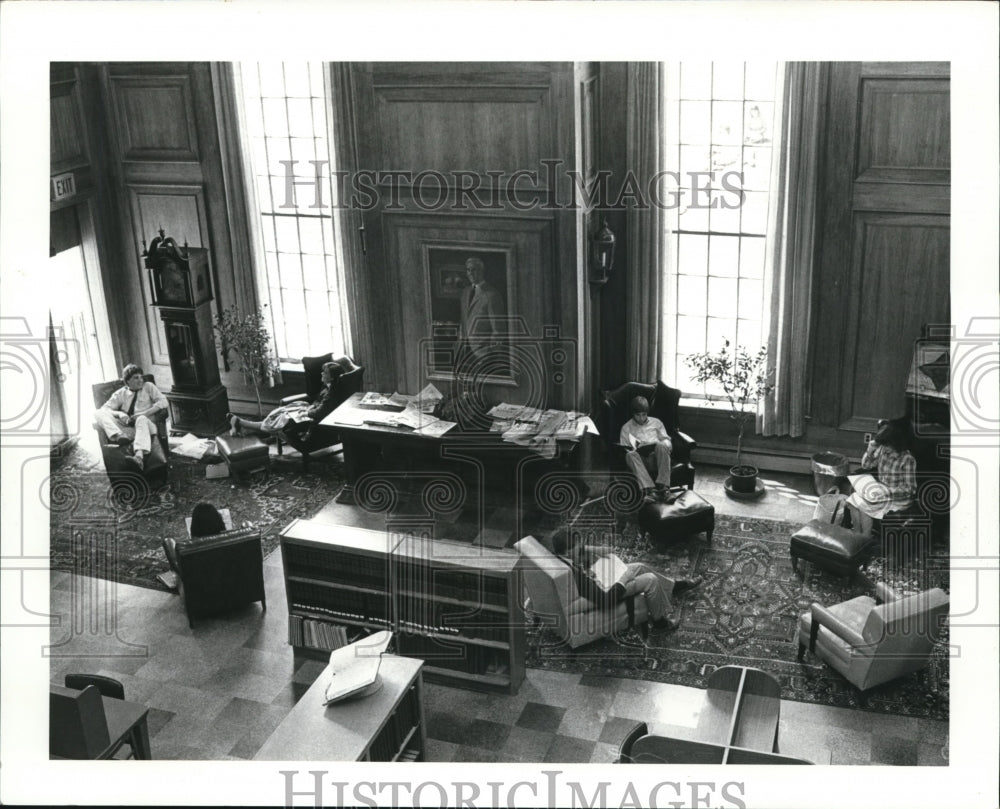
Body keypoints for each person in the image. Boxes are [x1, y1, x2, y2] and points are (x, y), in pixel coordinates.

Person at [550, 528, 701, 635]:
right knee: (650, 580)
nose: (581, 549)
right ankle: (659, 623)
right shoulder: (573, 574)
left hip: (596, 584)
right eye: (578, 547)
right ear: (569, 551)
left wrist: (586, 548)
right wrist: (623, 580)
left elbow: (605, 551)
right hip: (603, 593)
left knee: (640, 567)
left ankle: (673, 586)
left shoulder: (560, 556)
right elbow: (605, 600)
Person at [228, 356, 358, 439]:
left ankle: (241, 424)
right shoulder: (328, 386)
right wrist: (310, 406)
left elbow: (321, 411)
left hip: (314, 419)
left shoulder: (332, 392)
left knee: (283, 418)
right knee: (282, 411)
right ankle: (243, 426)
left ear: (332, 377)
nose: (321, 374)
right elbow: (318, 401)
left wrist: (307, 411)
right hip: (312, 409)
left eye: (325, 373)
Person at [94, 363, 168, 471]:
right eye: (136, 378)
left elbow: (164, 401)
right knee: (98, 413)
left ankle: (138, 457)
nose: (140, 380)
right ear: (127, 380)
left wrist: (144, 414)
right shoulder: (121, 393)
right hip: (128, 429)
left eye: (141, 377)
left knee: (141, 419)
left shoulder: (148, 387)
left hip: (148, 426)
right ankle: (118, 436)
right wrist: (120, 414)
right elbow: (105, 408)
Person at [620, 396, 674, 502]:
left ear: (647, 413)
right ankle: (650, 490)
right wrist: (636, 449)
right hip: (641, 462)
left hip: (658, 458)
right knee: (630, 455)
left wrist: (662, 443)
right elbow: (625, 449)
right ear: (633, 414)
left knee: (662, 445)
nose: (641, 418)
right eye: (638, 415)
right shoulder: (626, 428)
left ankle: (664, 489)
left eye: (644, 415)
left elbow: (668, 442)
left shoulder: (657, 423)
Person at [860, 417, 918, 513]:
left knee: (862, 506)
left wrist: (887, 491)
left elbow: (910, 489)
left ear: (895, 443)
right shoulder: (883, 449)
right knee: (852, 502)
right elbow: (865, 466)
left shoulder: (907, 459)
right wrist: (869, 451)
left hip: (898, 499)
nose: (884, 447)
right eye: (883, 444)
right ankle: (860, 529)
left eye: (887, 445)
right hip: (882, 493)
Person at [458, 257, 505, 363]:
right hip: (465, 352)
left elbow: (498, 330)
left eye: (474, 269)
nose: (470, 273)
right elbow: (464, 320)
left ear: (481, 271)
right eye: (468, 270)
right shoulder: (465, 292)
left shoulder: (492, 295)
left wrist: (489, 352)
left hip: (484, 355)